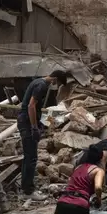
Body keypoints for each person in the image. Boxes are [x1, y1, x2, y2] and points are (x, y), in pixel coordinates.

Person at [18, 70, 70, 201]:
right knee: (32, 157)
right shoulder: (42, 86)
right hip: (27, 123)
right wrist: (34, 127)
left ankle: (25, 187)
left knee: (28, 156)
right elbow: (31, 106)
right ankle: (28, 192)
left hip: (24, 121)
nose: (56, 86)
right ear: (55, 79)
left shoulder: (37, 81)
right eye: (58, 84)